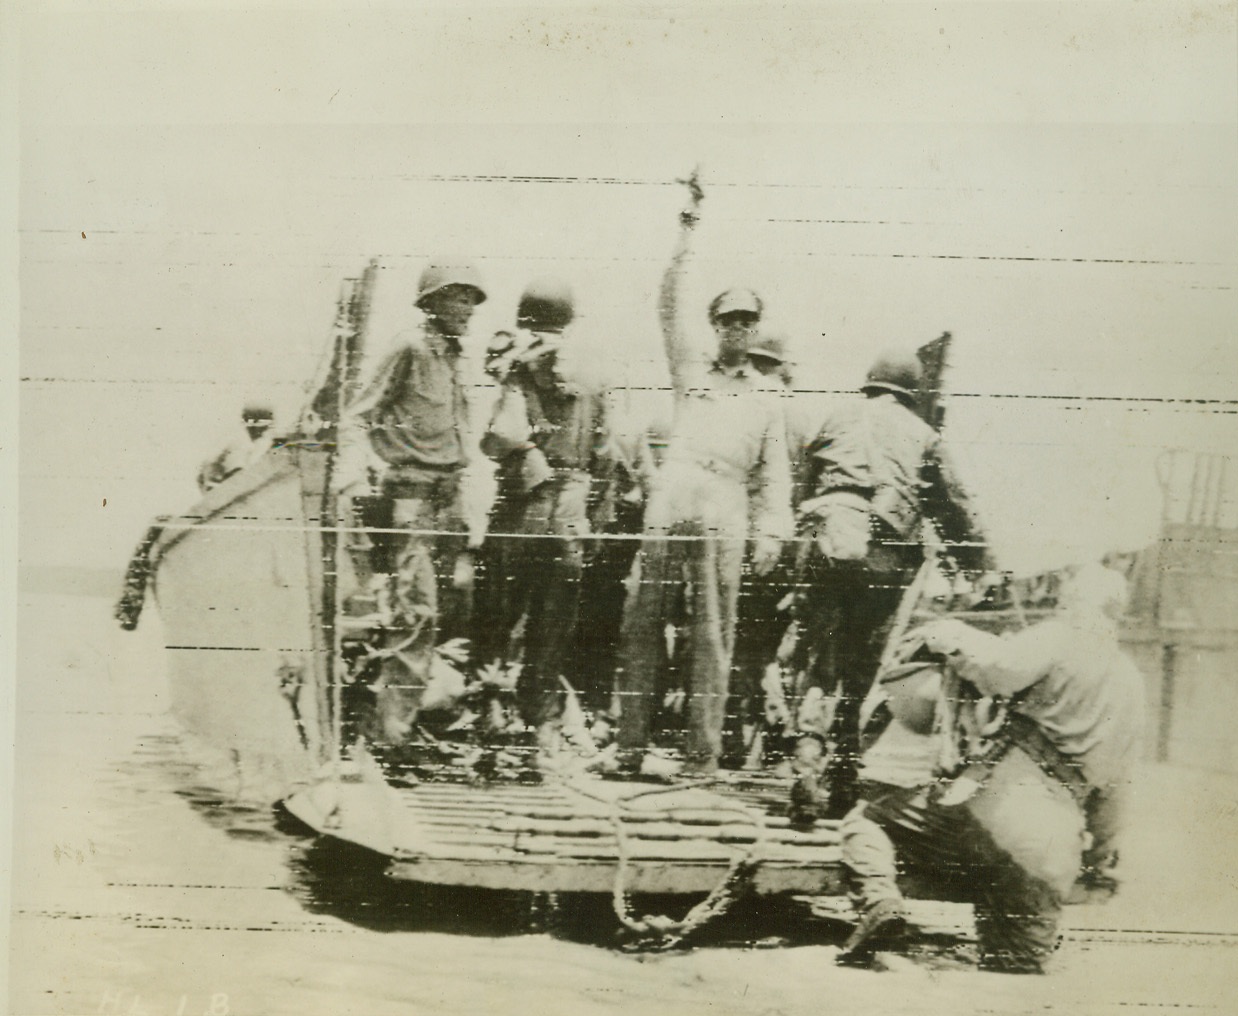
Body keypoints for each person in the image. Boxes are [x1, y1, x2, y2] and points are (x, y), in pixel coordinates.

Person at [839, 563, 1146, 972]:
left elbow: (998, 669)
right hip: (1050, 852)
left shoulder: (1060, 637)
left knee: (869, 818)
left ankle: (880, 902)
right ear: (1117, 613)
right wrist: (1097, 866)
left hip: (992, 818)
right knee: (1016, 970)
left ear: (1072, 602)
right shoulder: (1132, 682)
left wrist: (949, 634)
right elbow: (1115, 792)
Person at [612, 176, 793, 779]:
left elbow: (775, 478)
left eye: (745, 321)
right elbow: (667, 303)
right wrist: (686, 231)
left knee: (713, 633)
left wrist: (772, 534)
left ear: (755, 328)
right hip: (676, 490)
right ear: (715, 326)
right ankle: (629, 747)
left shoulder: (770, 399)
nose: (735, 329)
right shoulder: (693, 371)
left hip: (727, 499)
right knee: (643, 616)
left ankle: (701, 758)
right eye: (726, 320)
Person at [793, 348, 991, 816]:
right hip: (882, 553)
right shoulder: (924, 435)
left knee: (821, 661)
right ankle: (842, 778)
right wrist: (977, 566)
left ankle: (806, 761)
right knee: (862, 667)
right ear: (911, 392)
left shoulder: (836, 417)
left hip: (826, 537)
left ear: (871, 382)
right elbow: (953, 506)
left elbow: (801, 485)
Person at [334, 262, 487, 747]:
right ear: (432, 303)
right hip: (411, 499)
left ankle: (408, 720)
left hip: (450, 502)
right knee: (415, 615)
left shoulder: (456, 358)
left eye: (470, 299)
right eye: (457, 297)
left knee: (449, 613)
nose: (466, 308)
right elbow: (357, 416)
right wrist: (360, 474)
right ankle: (390, 740)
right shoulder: (410, 348)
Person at [479, 278, 614, 757]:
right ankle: (542, 726)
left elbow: (496, 434)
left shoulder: (513, 364)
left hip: (522, 504)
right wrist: (595, 519)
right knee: (552, 622)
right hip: (569, 508)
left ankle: (491, 707)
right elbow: (606, 455)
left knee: (498, 611)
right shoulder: (595, 374)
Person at [197, 401, 276, 492]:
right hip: (220, 482)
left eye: (267, 425)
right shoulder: (233, 438)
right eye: (262, 425)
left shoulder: (262, 443)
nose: (265, 430)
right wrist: (214, 484)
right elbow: (210, 464)